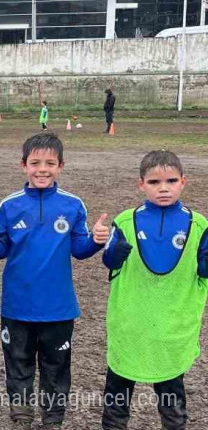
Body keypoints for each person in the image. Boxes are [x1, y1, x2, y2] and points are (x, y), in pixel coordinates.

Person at [0, 132, 108, 429]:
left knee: (56, 367)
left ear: (61, 166)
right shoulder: (9, 205)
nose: (42, 169)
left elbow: (80, 249)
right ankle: (21, 415)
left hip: (58, 308)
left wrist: (97, 241)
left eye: (50, 163)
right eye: (35, 163)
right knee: (17, 362)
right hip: (17, 306)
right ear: (23, 165)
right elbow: (0, 250)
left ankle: (53, 418)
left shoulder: (73, 205)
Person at [101, 150, 208, 430]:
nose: (163, 188)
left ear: (183, 182)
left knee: (172, 397)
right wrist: (114, 253)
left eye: (171, 181)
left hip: (171, 331)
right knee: (116, 397)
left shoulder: (199, 225)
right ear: (141, 184)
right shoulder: (124, 221)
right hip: (130, 327)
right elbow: (110, 265)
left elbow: (204, 272)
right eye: (154, 182)